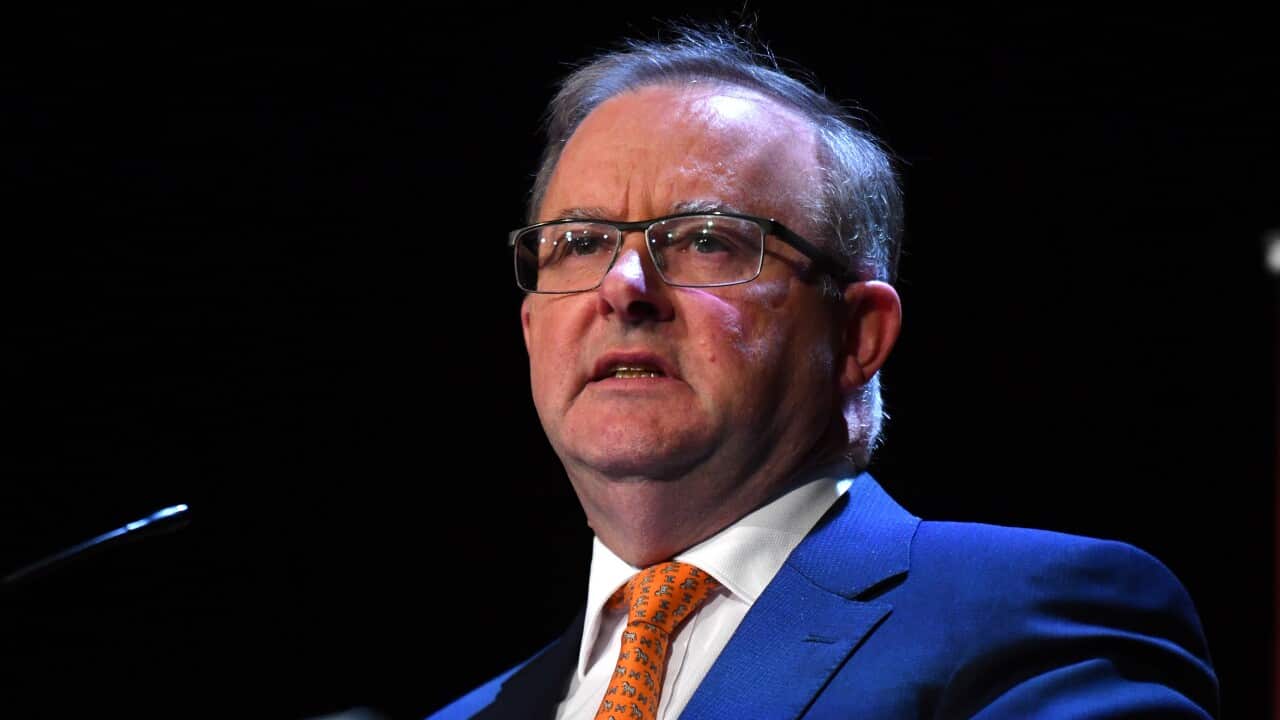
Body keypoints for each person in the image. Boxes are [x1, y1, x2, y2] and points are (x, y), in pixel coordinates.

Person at [429, 24, 1219, 720]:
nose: (622, 288)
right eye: (580, 243)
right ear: (532, 331)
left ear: (857, 334)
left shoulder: (1031, 622)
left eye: (706, 239)